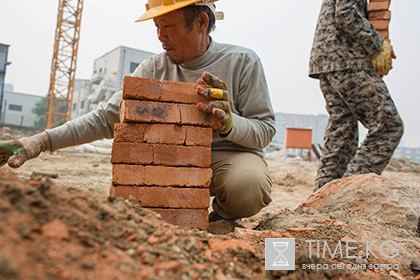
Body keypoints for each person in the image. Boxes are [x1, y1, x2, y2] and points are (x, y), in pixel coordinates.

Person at [0, 0, 276, 222]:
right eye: (156, 26)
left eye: (167, 25)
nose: (160, 36)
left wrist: (229, 124)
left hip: (228, 156)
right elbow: (105, 118)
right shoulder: (154, 69)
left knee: (247, 186)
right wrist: (40, 141)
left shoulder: (242, 62)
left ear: (202, 21)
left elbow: (264, 131)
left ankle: (222, 219)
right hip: (172, 158)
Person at [309, 0, 404, 191]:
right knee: (389, 125)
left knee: (341, 136)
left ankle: (320, 201)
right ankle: (347, 194)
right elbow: (345, 13)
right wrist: (378, 45)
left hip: (328, 61)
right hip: (348, 59)